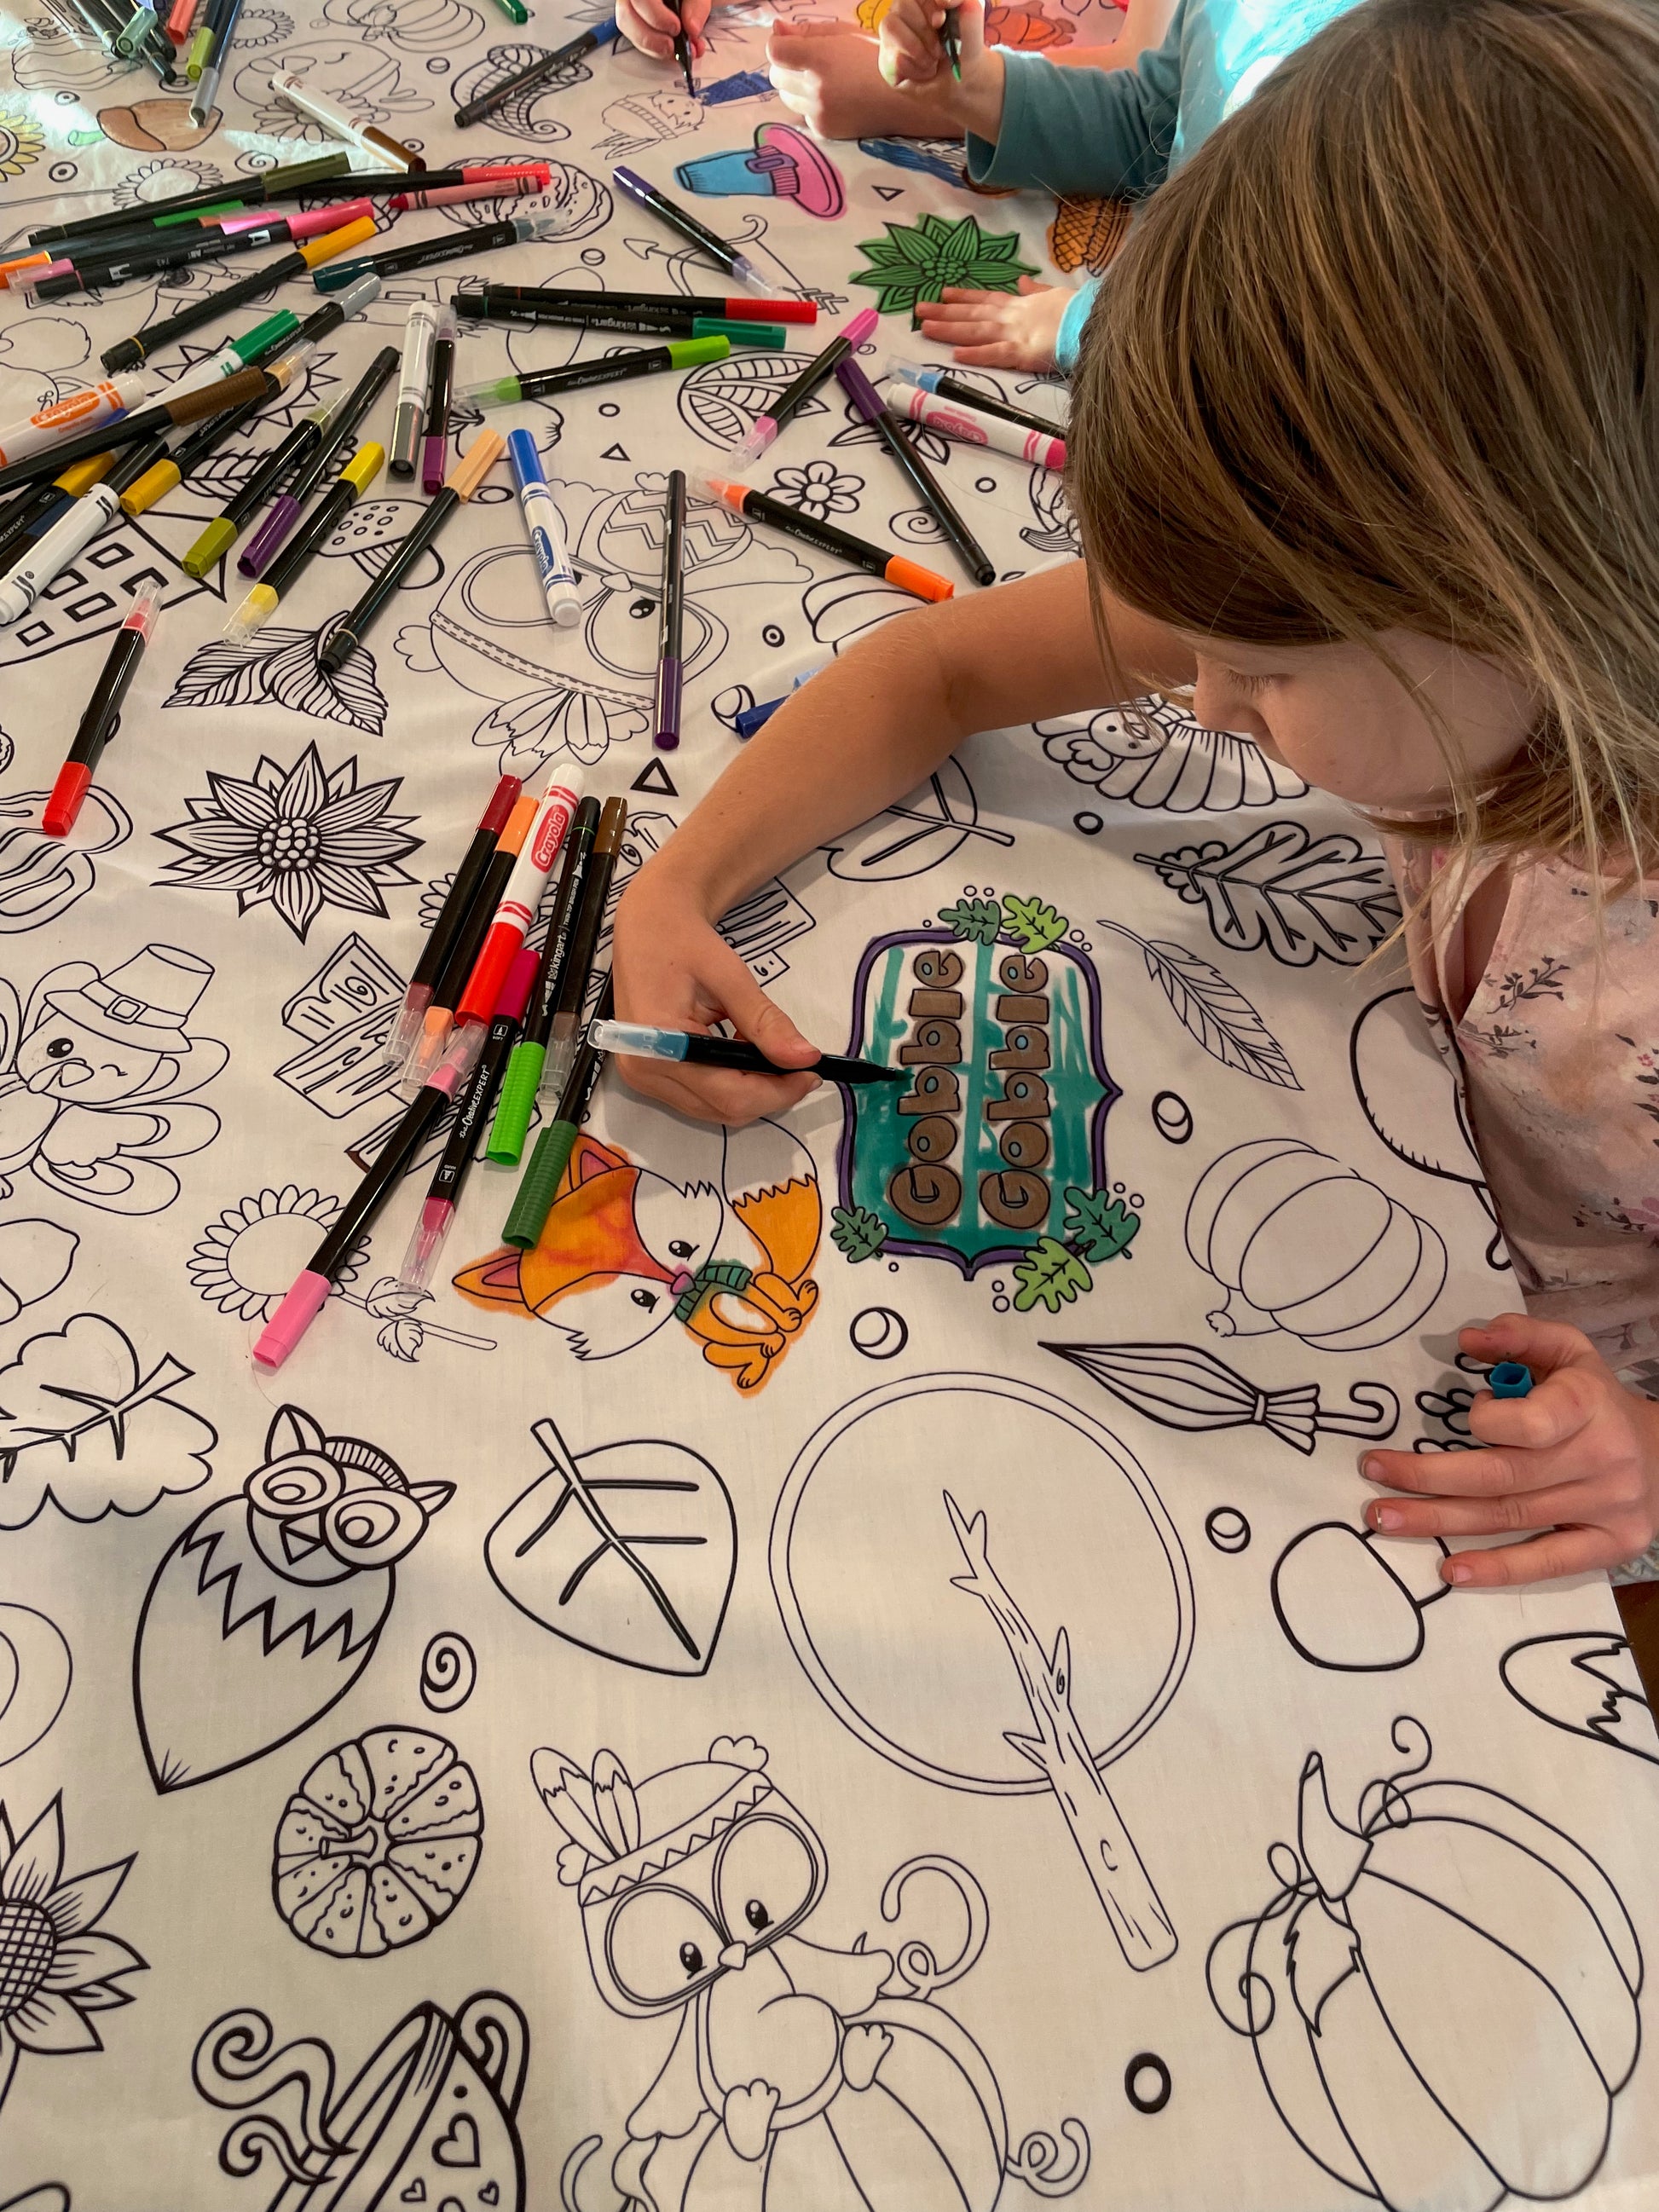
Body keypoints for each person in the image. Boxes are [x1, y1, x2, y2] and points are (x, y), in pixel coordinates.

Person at [613, 0, 1659, 1587]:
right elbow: (939, 672)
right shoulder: (1410, 606)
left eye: (1266, 672)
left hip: (1569, 1447)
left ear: (1518, 598)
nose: (1207, 699)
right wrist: (678, 883)